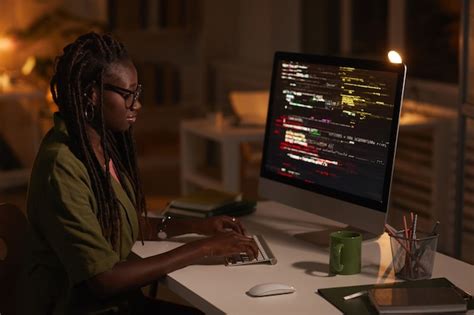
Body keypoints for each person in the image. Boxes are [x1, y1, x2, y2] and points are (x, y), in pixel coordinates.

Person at [20, 32, 258, 315]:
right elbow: (103, 280)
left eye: (138, 92)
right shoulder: (62, 166)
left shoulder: (100, 145)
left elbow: (124, 225)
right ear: (92, 95)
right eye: (127, 94)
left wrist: (197, 226)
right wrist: (204, 249)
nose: (137, 104)